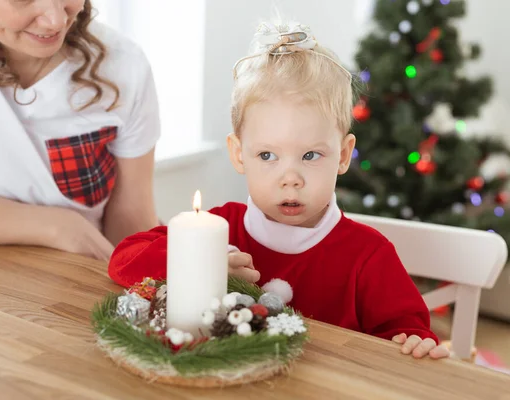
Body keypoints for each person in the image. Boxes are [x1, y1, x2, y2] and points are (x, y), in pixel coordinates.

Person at [107, 20, 450, 360]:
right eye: (267, 155)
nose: (291, 178)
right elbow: (122, 262)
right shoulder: (215, 230)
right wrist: (200, 263)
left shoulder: (370, 256)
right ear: (239, 154)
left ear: (343, 155)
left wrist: (416, 342)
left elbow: (409, 336)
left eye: (310, 155)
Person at [0, 0, 160, 261]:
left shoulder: (125, 65)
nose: (55, 21)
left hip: (77, 288)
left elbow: (131, 218)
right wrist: (59, 227)